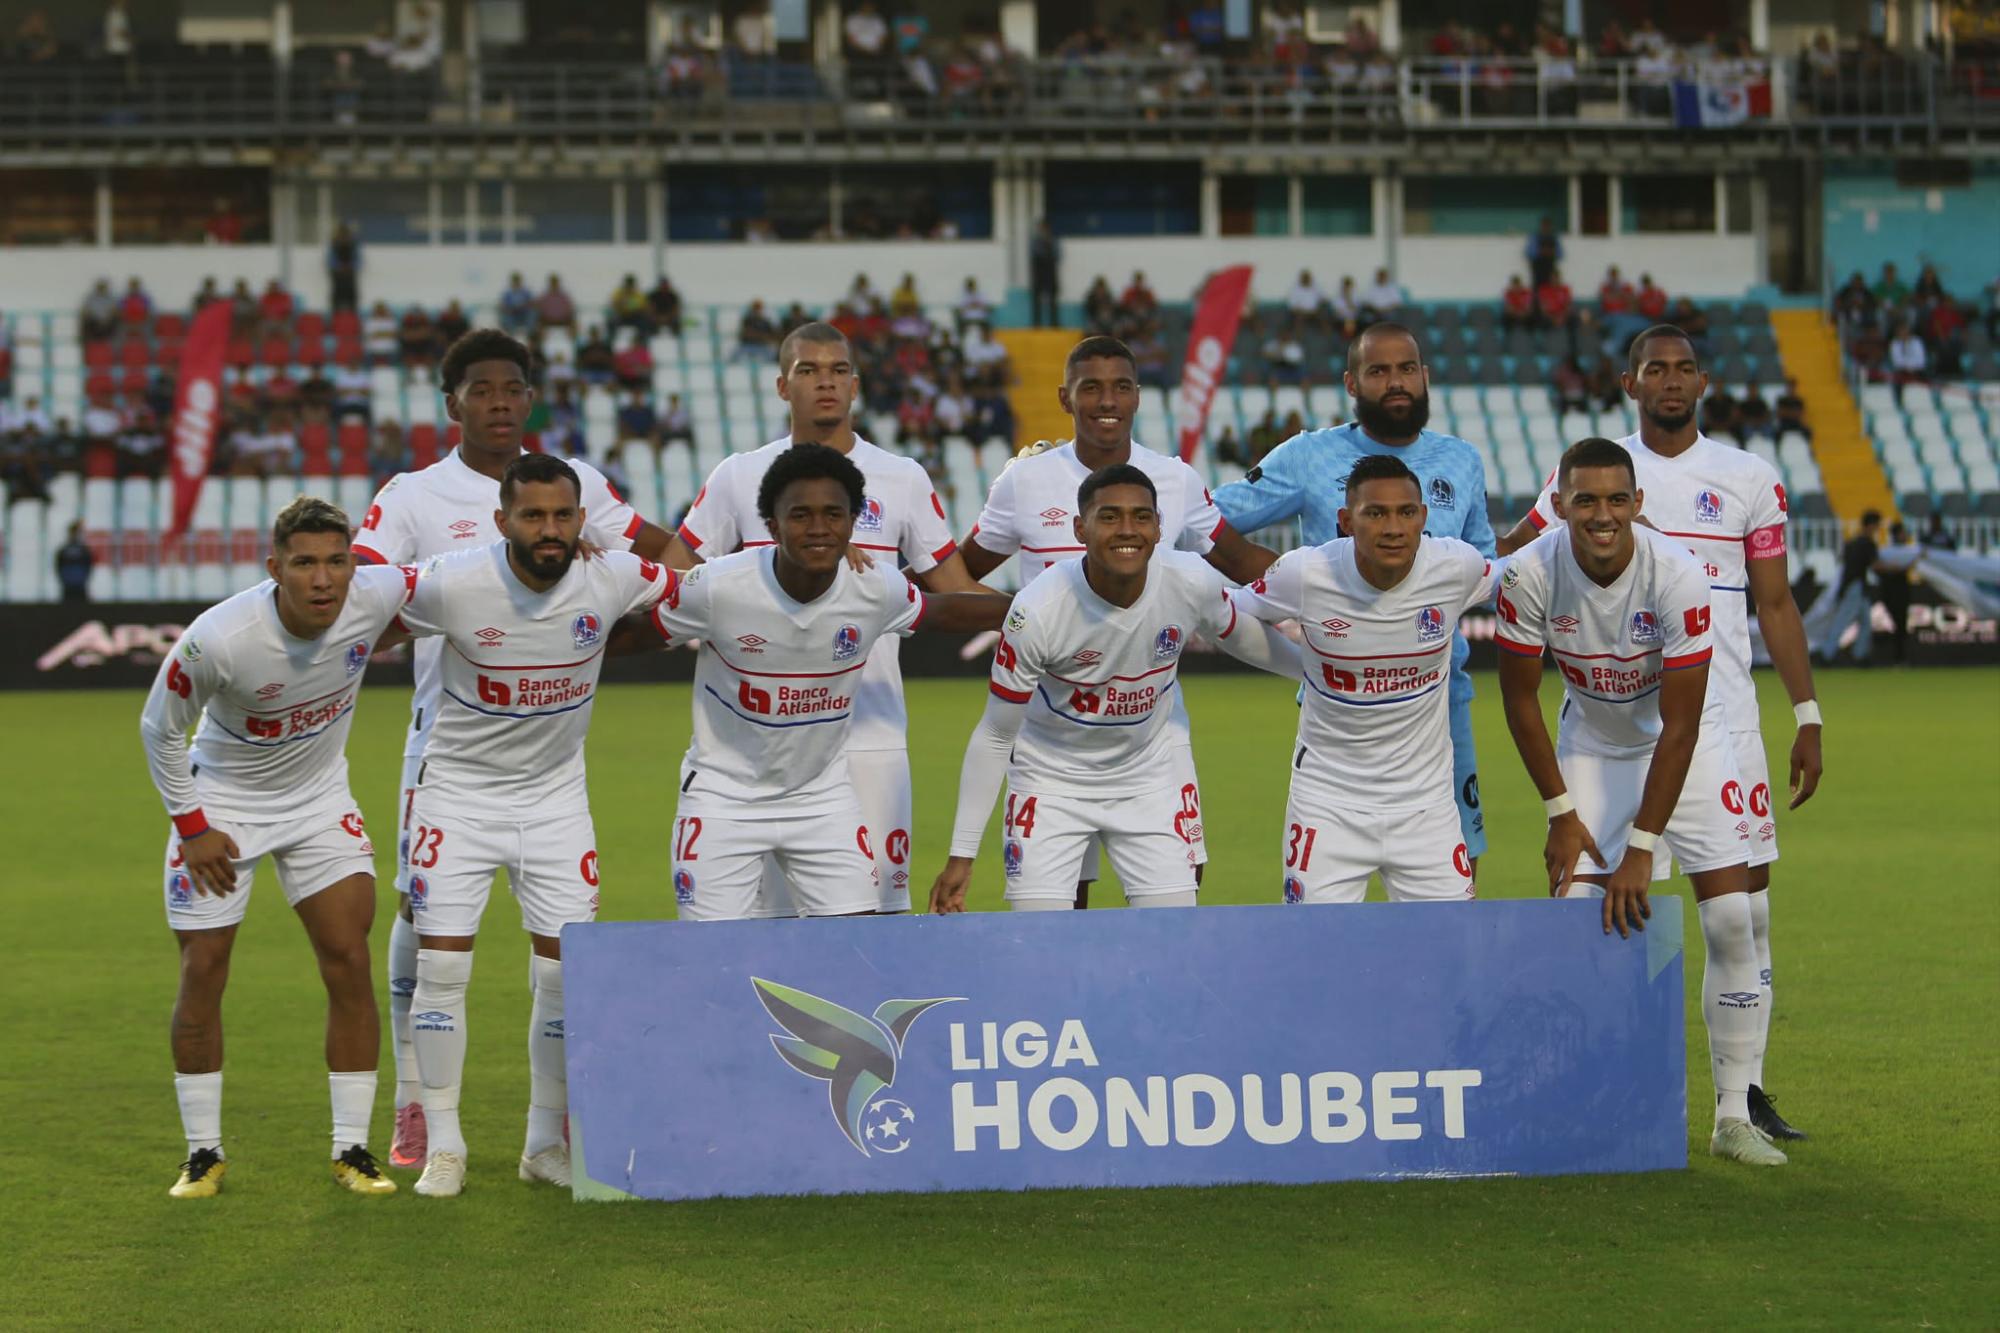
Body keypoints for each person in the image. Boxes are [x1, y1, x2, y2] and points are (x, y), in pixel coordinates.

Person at [351, 330, 671, 1173]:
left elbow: (671, 559)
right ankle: (415, 1105)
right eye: (481, 389)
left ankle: (546, 1132)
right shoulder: (414, 495)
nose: (499, 402)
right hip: (446, 746)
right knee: (423, 924)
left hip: (549, 753)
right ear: (452, 402)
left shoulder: (580, 484)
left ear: (530, 398)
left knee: (555, 955)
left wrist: (600, 634)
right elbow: (362, 588)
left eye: (513, 388)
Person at [1498, 324, 1822, 1143]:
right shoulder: (1572, 501)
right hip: (1604, 725)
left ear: (1703, 381)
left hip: (1717, 716)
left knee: (1741, 916)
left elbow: (1776, 603)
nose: (1670, 382)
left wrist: (1806, 711)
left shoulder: (1746, 480)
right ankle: (1585, 1096)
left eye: (1683, 369)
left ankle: (1741, 1102)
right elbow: (1513, 560)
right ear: (1629, 382)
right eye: (1655, 369)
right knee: (1584, 912)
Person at [139, 497, 415, 1199]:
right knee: (204, 965)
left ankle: (352, 1147)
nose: (324, 579)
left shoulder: (375, 595)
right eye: (305, 563)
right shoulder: (221, 638)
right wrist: (193, 827)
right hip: (225, 806)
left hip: (320, 801)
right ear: (275, 568)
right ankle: (203, 1152)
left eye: (336, 560)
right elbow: (158, 729)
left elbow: (461, 578)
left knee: (349, 956)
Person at [957, 336, 1279, 907]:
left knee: (1179, 894)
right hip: (1055, 733)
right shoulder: (1025, 480)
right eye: (1091, 388)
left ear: (1137, 398)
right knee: (1067, 898)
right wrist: (1023, 620)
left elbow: (1240, 562)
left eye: (1122, 387)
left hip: (1152, 729)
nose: (1107, 401)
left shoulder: (1174, 478)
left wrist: (1334, 589)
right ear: (1065, 398)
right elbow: (957, 574)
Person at [668, 322, 975, 916]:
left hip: (872, 733)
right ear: (783, 386)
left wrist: (1054, 609)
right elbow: (675, 578)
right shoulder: (739, 475)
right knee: (767, 930)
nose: (824, 383)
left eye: (837, 370)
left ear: (855, 385)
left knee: (876, 922)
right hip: (762, 752)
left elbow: (954, 592)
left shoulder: (902, 477)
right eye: (808, 371)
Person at [646, 444, 1011, 921]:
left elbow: (949, 608)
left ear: (853, 521)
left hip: (821, 799)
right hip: (722, 799)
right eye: (800, 515)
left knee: (853, 953)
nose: (818, 528)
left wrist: (1039, 609)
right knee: (717, 965)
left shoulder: (874, 587)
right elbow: (634, 629)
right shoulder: (716, 587)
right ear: (771, 526)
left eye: (833, 514)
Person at [933, 464, 1299, 912]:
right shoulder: (1038, 611)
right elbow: (995, 733)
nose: (1128, 530)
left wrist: (1314, 673)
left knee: (1171, 937)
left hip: (1148, 779)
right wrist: (962, 856)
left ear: (1160, 527)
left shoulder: (1189, 579)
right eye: (1109, 517)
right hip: (1050, 783)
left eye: (1142, 517)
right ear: (1079, 529)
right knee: (1042, 943)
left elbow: (1241, 635)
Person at [1214, 322, 1497, 886]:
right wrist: (1283, 586)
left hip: (1441, 704)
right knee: (1325, 900)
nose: (1396, 382)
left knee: (1450, 888)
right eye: (1378, 371)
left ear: (1425, 377)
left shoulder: (1461, 460)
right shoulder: (1309, 456)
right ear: (1351, 382)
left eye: (1407, 369)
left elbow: (1485, 565)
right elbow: (1209, 520)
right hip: (1342, 705)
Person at [1231, 455, 1495, 903]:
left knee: (1448, 955)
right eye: (1375, 513)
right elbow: (1231, 617)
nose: (1393, 527)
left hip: (1427, 810)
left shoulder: (1457, 567)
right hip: (1327, 805)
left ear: (1423, 518)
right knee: (1315, 954)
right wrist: (1298, 664)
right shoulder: (1305, 573)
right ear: (1346, 521)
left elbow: (1522, 577)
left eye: (1406, 513)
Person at [1816, 510, 1883, 665]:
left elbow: (1845, 567)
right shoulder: (1867, 543)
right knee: (1843, 620)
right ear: (1871, 525)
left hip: (1852, 585)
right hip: (1857, 586)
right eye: (1877, 525)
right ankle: (1827, 653)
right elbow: (1876, 565)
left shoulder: (1852, 542)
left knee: (1865, 621)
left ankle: (1860, 655)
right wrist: (1897, 567)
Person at [1877, 521, 1919, 665]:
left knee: (1901, 624)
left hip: (1900, 590)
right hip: (1891, 591)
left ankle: (1899, 657)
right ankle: (1898, 656)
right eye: (1902, 533)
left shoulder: (1908, 551)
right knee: (1897, 623)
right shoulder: (1886, 552)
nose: (1905, 536)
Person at [1030, 220, 1060, 327]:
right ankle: (1036, 324)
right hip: (1039, 273)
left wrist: (1048, 246)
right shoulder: (1035, 241)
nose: (1043, 230)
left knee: (1053, 300)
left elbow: (1057, 255)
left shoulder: (1053, 240)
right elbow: (1035, 254)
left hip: (1051, 273)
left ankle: (1054, 323)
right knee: (1037, 300)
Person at [55, 520, 93, 601]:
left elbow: (88, 567)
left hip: (80, 587)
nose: (76, 535)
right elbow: (58, 567)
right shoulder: (64, 550)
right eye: (74, 532)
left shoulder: (84, 550)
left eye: (78, 532)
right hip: (68, 587)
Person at [327, 224, 361, 313]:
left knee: (352, 298)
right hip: (338, 275)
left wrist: (350, 266)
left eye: (345, 235)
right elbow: (330, 261)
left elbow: (358, 261)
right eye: (341, 235)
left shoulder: (354, 246)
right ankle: (336, 318)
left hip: (350, 275)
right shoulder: (333, 245)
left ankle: (353, 317)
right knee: (336, 298)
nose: (343, 237)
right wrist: (339, 267)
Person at [1525, 214, 1563, 289]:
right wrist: (1540, 252)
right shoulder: (1535, 237)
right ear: (1541, 225)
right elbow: (1528, 252)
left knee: (1549, 286)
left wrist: (1551, 252)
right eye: (1544, 225)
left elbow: (1560, 254)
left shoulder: (1554, 237)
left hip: (1550, 265)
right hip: (1538, 266)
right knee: (1537, 286)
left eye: (1548, 225)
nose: (1546, 227)